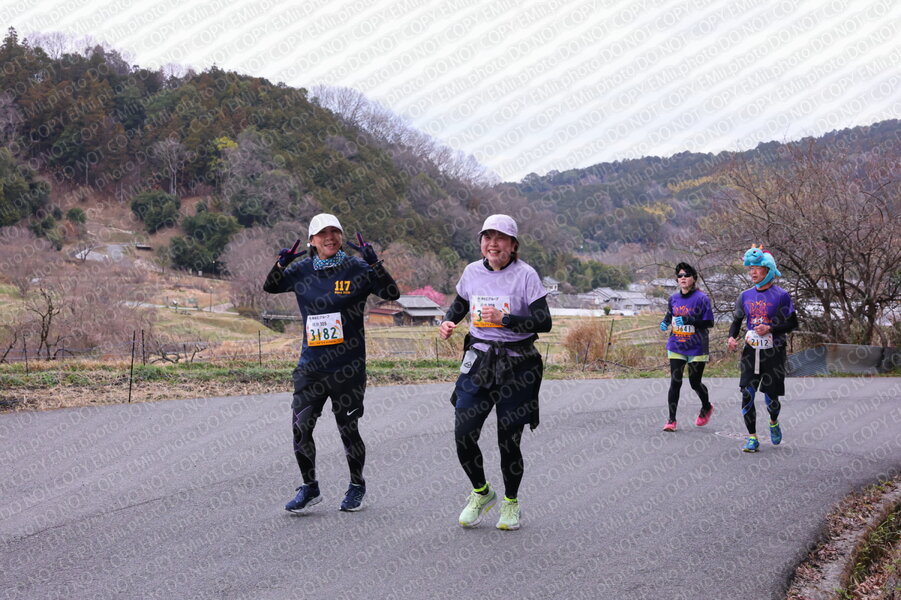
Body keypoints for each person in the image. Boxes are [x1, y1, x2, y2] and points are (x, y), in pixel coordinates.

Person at [263, 213, 399, 512]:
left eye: (335, 232)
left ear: (341, 236)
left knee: (348, 429)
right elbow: (271, 286)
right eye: (322, 233)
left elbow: (392, 293)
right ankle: (309, 487)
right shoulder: (301, 270)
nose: (330, 238)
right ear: (312, 240)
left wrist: (375, 264)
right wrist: (281, 265)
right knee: (301, 428)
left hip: (348, 368)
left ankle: (356, 485)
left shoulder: (356, 268)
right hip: (311, 367)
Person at [438, 214, 552, 531]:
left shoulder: (526, 275)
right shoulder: (472, 272)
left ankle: (511, 502)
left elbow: (544, 321)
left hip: (517, 364)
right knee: (463, 434)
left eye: (500, 238)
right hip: (479, 360)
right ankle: (482, 492)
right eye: (487, 237)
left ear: (513, 245)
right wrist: (449, 321)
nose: (493, 244)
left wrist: (506, 319)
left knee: (508, 441)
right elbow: (461, 302)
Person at [727, 245, 798, 453]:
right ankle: (752, 438)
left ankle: (773, 422)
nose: (753, 272)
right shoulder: (745, 296)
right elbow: (737, 320)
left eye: (757, 268)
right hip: (751, 351)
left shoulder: (781, 295)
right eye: (751, 268)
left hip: (773, 352)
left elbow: (792, 323)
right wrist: (732, 337)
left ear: (768, 270)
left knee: (771, 398)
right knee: (747, 393)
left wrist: (770, 328)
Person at [659, 262, 715, 432]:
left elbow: (709, 322)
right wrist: (665, 322)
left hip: (697, 346)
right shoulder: (673, 298)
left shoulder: (702, 298)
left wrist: (688, 320)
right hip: (676, 344)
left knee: (694, 382)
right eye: (680, 276)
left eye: (687, 275)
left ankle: (706, 406)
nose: (683, 278)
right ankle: (671, 420)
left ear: (694, 278)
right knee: (675, 381)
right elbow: (670, 314)